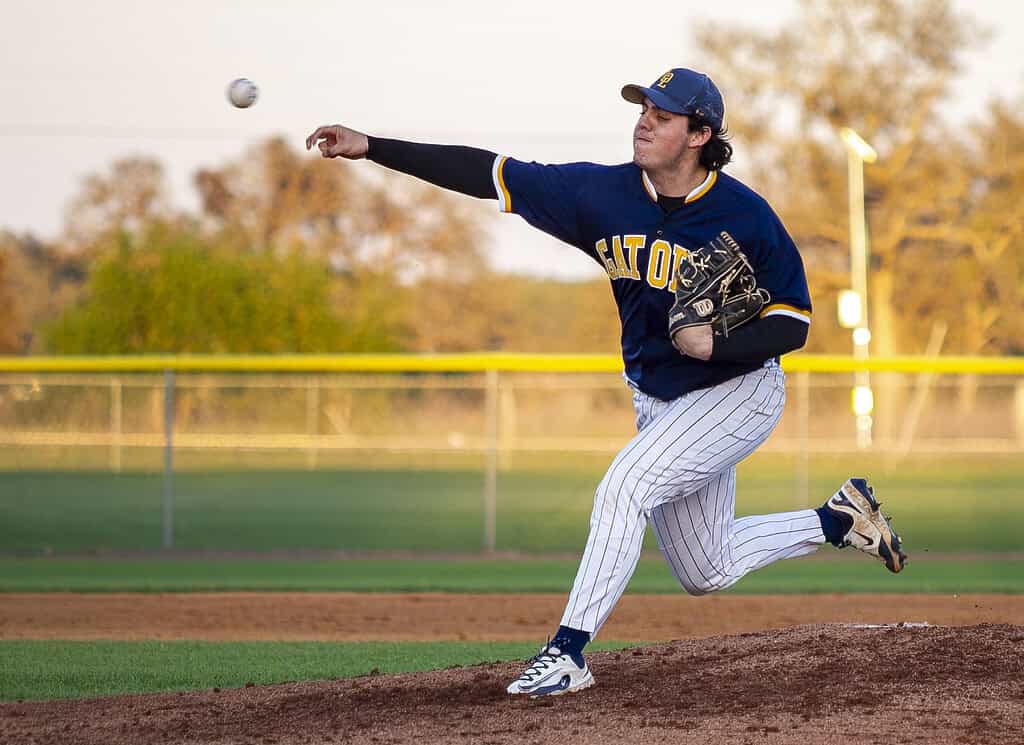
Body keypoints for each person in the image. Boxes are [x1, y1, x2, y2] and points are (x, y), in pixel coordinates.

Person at [306, 67, 906, 698]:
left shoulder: (747, 216)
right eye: (644, 108)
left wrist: (719, 343)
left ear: (700, 133)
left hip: (740, 392)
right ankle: (837, 521)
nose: (645, 121)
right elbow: (488, 173)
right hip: (659, 400)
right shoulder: (600, 194)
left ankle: (568, 652)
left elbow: (794, 320)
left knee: (626, 485)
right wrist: (373, 146)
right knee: (706, 568)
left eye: (664, 115)